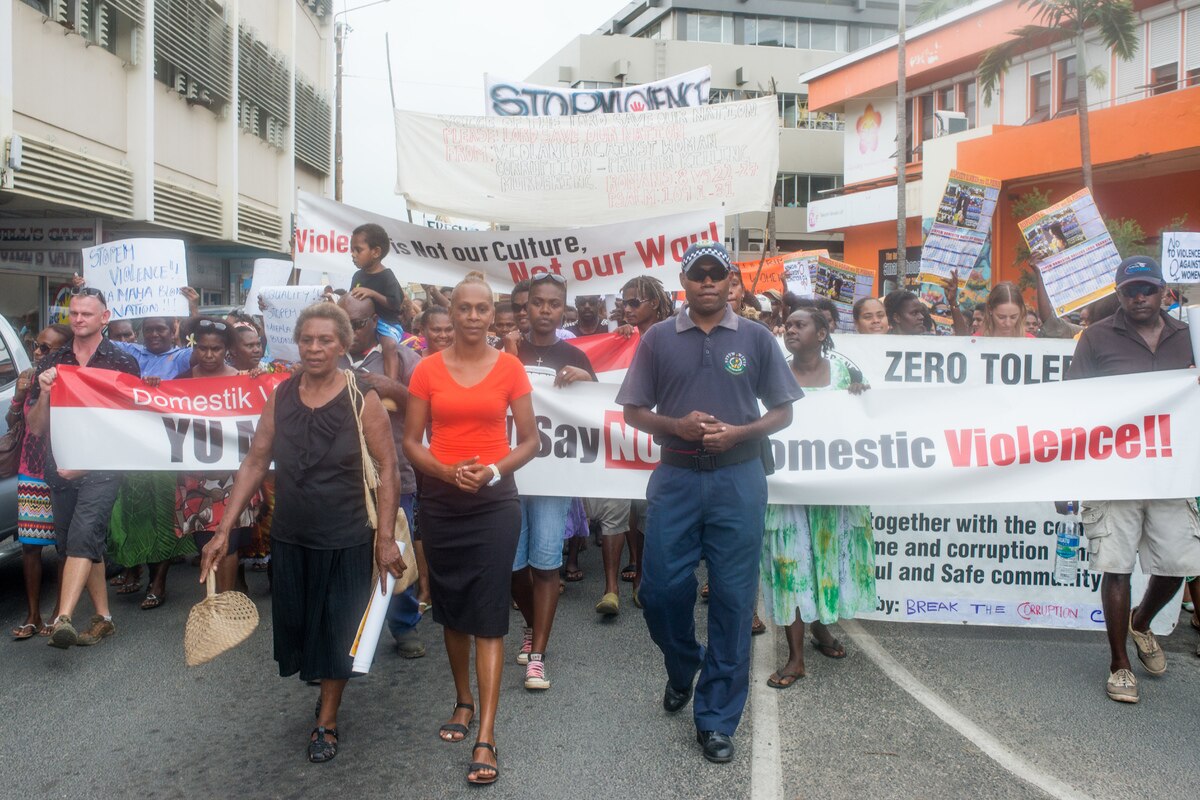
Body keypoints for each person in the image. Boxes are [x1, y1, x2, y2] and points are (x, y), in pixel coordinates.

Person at [617, 242, 802, 764]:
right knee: (659, 592)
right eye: (697, 276)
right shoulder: (657, 339)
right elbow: (632, 411)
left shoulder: (757, 337)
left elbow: (783, 411)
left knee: (733, 602)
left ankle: (717, 719)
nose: (707, 284)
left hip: (739, 480)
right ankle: (683, 667)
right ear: (684, 281)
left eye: (716, 276)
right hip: (675, 478)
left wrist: (741, 432)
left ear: (730, 283)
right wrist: (673, 425)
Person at [200, 301, 405, 762]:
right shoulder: (281, 395)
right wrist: (222, 529)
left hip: (348, 533)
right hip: (291, 533)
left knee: (336, 630)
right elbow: (255, 460)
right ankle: (325, 688)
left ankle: (326, 721)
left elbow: (388, 468)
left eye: (325, 340)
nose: (315, 348)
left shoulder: (361, 399)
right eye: (307, 339)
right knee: (301, 624)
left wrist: (385, 536)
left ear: (342, 345)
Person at [403, 275, 539, 786]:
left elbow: (529, 441)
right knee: (452, 608)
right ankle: (462, 699)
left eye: (484, 309)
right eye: (466, 308)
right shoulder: (426, 370)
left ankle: (486, 732)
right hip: (441, 502)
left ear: (492, 314)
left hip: (494, 503)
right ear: (451, 313)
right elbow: (413, 441)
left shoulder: (510, 368)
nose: (476, 317)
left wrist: (494, 471)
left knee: (487, 613)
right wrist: (445, 473)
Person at [1066, 256, 1198, 704]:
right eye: (1130, 290)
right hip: (1114, 471)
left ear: (1164, 292)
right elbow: (1073, 405)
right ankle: (1119, 663)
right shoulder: (1096, 337)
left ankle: (1141, 624)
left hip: (1173, 470)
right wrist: (1070, 473)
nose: (1139, 297)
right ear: (1118, 295)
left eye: (1147, 288)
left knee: (1179, 566)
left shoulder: (1191, 335)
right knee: (1116, 566)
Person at [762, 308, 874, 687]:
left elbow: (868, 424)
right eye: (788, 325)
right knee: (790, 564)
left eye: (800, 325)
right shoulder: (772, 373)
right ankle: (795, 658)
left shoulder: (846, 375)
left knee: (829, 562)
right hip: (787, 491)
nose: (791, 330)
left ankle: (821, 628)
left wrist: (861, 397)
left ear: (822, 333)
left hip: (832, 491)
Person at [26, 288, 141, 649]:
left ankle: (63, 617)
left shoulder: (121, 362)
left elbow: (132, 425)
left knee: (82, 534)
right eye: (73, 313)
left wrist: (87, 463)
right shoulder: (53, 361)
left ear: (104, 318)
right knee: (73, 544)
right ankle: (104, 617)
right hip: (60, 468)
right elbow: (36, 427)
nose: (78, 320)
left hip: (103, 469)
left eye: (86, 314)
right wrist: (45, 393)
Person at [505, 273, 597, 686]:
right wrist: (505, 360)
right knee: (512, 566)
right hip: (507, 477)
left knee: (545, 564)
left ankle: (538, 651)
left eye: (553, 304)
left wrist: (587, 381)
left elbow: (597, 413)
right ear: (525, 307)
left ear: (564, 309)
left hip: (552, 479)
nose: (545, 310)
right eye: (537, 303)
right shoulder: (504, 351)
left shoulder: (575, 355)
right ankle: (530, 625)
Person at [337, 293, 428, 659]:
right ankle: (350, 630)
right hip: (341, 478)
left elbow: (430, 409)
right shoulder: (327, 354)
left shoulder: (404, 358)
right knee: (346, 555)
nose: (351, 332)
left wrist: (393, 389)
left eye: (358, 324)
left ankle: (403, 625)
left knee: (395, 550)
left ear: (375, 321)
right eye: (344, 323)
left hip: (395, 473)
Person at [9, 324, 72, 640]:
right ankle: (32, 613)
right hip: (31, 468)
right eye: (36, 345)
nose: (37, 352)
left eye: (46, 348)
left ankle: (59, 611)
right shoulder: (30, 378)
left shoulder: (75, 379)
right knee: (31, 547)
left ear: (64, 351)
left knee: (63, 546)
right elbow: (14, 422)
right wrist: (20, 394)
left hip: (64, 469)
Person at [348, 222, 406, 343]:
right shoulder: (357, 276)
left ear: (376, 252)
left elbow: (395, 304)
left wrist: (372, 294)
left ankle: (392, 362)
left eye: (358, 250)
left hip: (387, 325)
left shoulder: (387, 276)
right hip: (362, 327)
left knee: (389, 346)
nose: (353, 255)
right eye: (352, 250)